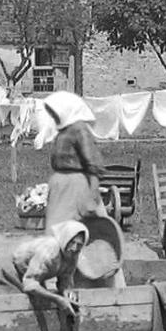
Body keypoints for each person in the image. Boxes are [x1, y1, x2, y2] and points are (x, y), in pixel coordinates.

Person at [0, 221, 89, 318]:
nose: (74, 248)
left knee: (41, 305)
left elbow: (66, 279)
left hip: (31, 277)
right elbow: (30, 285)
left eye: (79, 244)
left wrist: (68, 295)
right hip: (8, 273)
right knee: (10, 310)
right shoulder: (50, 251)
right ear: (65, 239)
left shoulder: (73, 256)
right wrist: (58, 299)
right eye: (72, 242)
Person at [41, 92, 108, 230]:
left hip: (74, 185)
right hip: (60, 184)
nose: (53, 116)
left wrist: (93, 192)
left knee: (68, 229)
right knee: (55, 228)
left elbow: (92, 162)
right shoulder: (64, 131)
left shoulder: (79, 129)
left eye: (54, 111)